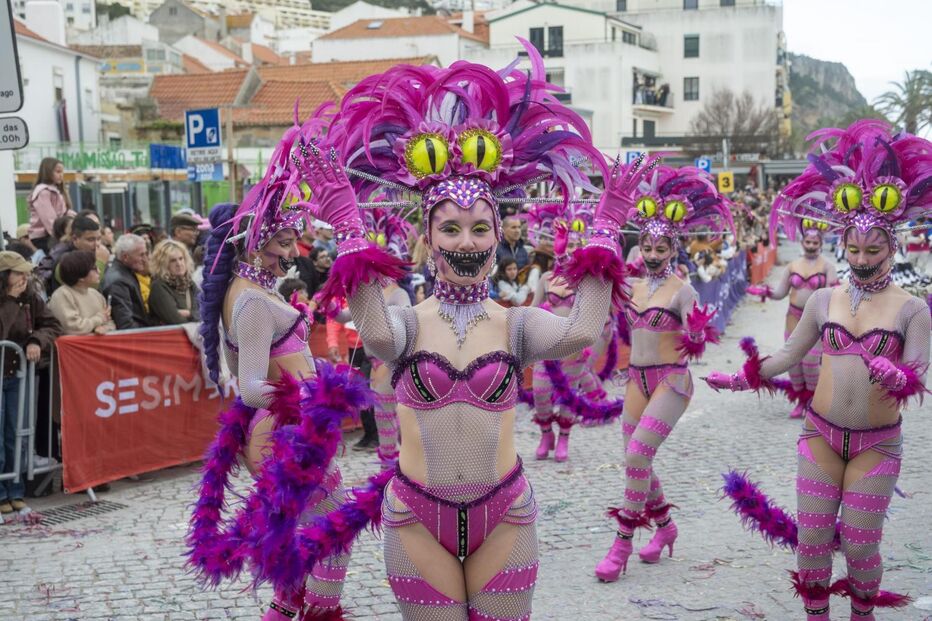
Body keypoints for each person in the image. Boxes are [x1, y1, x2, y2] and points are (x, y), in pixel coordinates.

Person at [298, 45, 624, 619]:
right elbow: (373, 338)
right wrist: (350, 229)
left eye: (479, 228)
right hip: (416, 518)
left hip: (507, 513)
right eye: (450, 228)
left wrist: (605, 236)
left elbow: (580, 334)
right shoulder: (404, 319)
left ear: (497, 239)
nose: (466, 242)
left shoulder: (516, 323)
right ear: (429, 238)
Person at [707, 120, 931, 621]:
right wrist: (745, 377)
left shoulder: (912, 308)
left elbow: (918, 370)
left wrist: (899, 377)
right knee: (810, 543)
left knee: (858, 545)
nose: (862, 260)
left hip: (877, 443)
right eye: (853, 250)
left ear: (893, 247)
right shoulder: (825, 299)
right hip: (820, 435)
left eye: (873, 251)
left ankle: (862, 614)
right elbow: (787, 355)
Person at [189, 123, 369, 620]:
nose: (293, 252)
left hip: (294, 427)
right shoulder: (249, 303)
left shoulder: (257, 294)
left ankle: (284, 608)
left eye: (294, 240)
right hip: (286, 432)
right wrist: (312, 401)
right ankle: (318, 613)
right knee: (334, 532)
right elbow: (246, 386)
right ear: (255, 243)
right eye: (285, 241)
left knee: (294, 531)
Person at [595, 161, 731, 583]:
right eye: (648, 248)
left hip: (672, 381)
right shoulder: (632, 286)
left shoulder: (683, 289)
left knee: (638, 455)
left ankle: (622, 544)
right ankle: (667, 529)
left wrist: (697, 331)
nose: (653, 256)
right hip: (637, 380)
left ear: (674, 248)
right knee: (637, 461)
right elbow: (605, 321)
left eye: (662, 249)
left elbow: (702, 328)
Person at [529, 202, 609, 462]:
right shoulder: (545, 280)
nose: (569, 250)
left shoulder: (585, 282)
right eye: (565, 245)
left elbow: (595, 316)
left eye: (575, 246)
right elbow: (532, 311)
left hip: (573, 349)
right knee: (540, 394)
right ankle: (545, 434)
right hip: (547, 348)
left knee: (567, 396)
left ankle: (564, 437)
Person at [747, 217, 839, 418]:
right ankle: (801, 401)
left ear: (821, 244)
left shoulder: (827, 267)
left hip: (816, 320)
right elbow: (780, 293)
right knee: (794, 364)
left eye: (815, 243)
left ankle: (815, 403)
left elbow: (833, 293)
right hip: (793, 318)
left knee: (811, 364)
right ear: (802, 242)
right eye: (808, 242)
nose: (812, 246)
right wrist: (763, 292)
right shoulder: (792, 266)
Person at [0, 251, 63, 519]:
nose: (24, 277)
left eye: (26, 272)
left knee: (16, 433)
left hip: (17, 376)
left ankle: (15, 491)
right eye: (18, 273)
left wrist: (37, 339)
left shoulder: (31, 300)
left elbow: (51, 324)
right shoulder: (14, 300)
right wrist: (10, 302)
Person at [48, 251, 115, 335]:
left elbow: (109, 322)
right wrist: (99, 319)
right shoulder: (62, 295)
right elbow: (73, 328)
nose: (99, 270)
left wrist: (105, 328)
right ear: (80, 277)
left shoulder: (96, 294)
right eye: (94, 268)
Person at [101, 234, 154, 330]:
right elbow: (126, 324)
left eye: (146, 254)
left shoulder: (124, 272)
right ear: (125, 257)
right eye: (141, 255)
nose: (145, 259)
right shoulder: (118, 283)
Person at [42, 215, 104, 295]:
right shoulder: (65, 259)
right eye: (90, 239)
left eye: (99, 239)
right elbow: (90, 290)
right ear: (75, 239)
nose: (97, 244)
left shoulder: (87, 255)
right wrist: (100, 262)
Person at [27, 157, 74, 253]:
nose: (61, 175)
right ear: (48, 172)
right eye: (58, 172)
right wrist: (63, 237)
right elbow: (49, 221)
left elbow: (64, 212)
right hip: (43, 236)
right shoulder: (43, 192)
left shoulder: (57, 191)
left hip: (55, 233)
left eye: (62, 172)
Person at [148, 240, 200, 325]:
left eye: (181, 258)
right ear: (163, 264)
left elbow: (206, 313)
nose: (179, 264)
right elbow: (176, 320)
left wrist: (189, 314)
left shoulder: (190, 284)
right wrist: (195, 314)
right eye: (173, 260)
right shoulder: (159, 287)